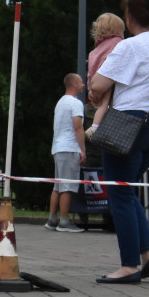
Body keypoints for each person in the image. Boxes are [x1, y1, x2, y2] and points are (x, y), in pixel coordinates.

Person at [88, 0, 149, 284]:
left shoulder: (130, 46)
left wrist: (93, 92)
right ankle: (148, 255)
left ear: (128, 16)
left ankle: (128, 265)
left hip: (128, 123)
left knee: (119, 193)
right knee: (127, 190)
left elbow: (99, 85)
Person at [45, 73, 86, 233]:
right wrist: (82, 149)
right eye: (81, 82)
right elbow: (78, 127)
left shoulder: (60, 102)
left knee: (58, 185)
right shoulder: (75, 103)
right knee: (67, 186)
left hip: (58, 147)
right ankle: (64, 221)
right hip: (69, 148)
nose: (83, 85)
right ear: (74, 84)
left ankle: (52, 218)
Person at [84, 13, 126, 139]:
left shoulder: (94, 52)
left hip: (96, 84)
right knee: (106, 104)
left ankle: (94, 126)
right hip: (108, 79)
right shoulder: (118, 43)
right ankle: (95, 127)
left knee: (101, 106)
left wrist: (91, 90)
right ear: (117, 31)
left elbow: (90, 72)